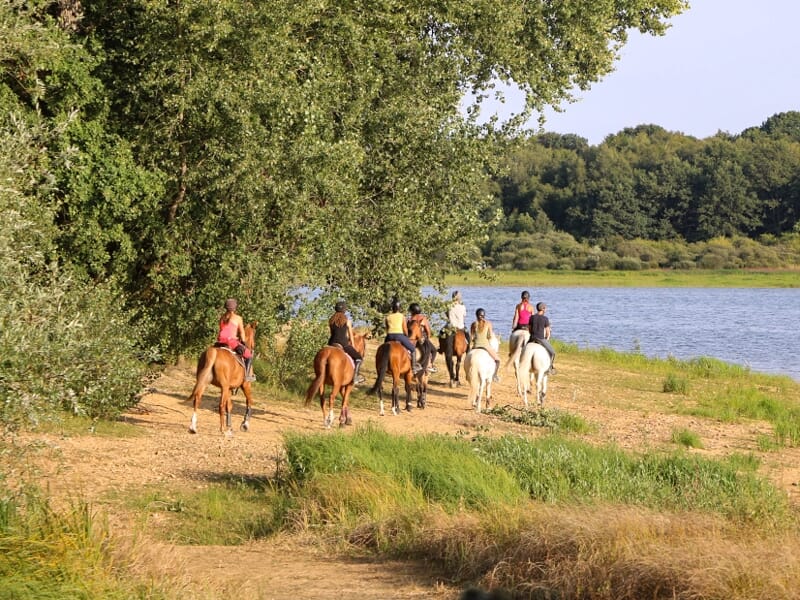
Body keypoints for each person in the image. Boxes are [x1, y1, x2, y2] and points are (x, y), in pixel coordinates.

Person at [217, 298, 255, 381]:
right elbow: (242, 333)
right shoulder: (238, 318)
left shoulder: (222, 317)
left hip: (220, 341)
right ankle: (247, 376)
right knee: (249, 355)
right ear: (235, 308)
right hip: (230, 342)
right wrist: (243, 342)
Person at [328, 301, 365, 384]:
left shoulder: (331, 321)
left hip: (331, 343)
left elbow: (331, 333)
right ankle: (355, 377)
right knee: (359, 358)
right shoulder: (347, 321)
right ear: (344, 310)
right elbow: (351, 335)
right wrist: (352, 345)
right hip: (343, 344)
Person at [384, 299, 422, 373]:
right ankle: (414, 367)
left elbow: (387, 328)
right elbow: (405, 329)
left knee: (384, 349)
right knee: (413, 349)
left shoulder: (388, 317)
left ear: (392, 308)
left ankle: (384, 364)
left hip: (389, 336)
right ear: (399, 308)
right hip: (399, 336)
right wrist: (406, 336)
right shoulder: (402, 316)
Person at [470, 307, 501, 382]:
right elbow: (490, 336)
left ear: (476, 315)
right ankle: (494, 375)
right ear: (484, 315)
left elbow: (471, 337)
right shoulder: (488, 324)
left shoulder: (473, 324)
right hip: (485, 346)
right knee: (498, 360)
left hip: (475, 346)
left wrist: (475, 339)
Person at [528, 302, 557, 375]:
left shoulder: (532, 317)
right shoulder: (545, 319)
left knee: (523, 349)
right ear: (543, 309)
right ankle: (549, 369)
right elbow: (547, 332)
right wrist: (547, 338)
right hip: (540, 339)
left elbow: (529, 329)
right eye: (545, 308)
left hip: (532, 338)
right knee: (552, 352)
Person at [408, 303, 437, 372]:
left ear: (412, 311)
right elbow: (428, 331)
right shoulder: (422, 318)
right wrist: (428, 338)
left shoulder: (409, 319)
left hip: (411, 339)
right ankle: (430, 365)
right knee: (434, 350)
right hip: (422, 338)